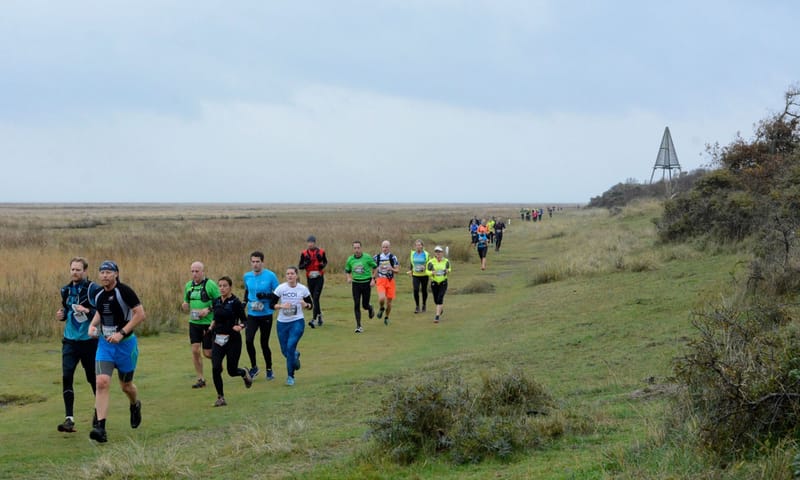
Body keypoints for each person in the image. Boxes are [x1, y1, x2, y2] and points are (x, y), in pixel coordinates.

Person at [87, 260, 146, 443]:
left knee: (126, 386)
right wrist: (92, 326)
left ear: (116, 274)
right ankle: (101, 429)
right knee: (102, 382)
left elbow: (140, 314)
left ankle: (135, 405)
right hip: (105, 345)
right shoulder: (98, 294)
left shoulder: (124, 291)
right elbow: (100, 313)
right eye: (102, 272)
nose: (104, 275)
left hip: (126, 346)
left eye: (108, 272)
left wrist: (121, 333)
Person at [56, 257, 101, 433]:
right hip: (70, 341)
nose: (75, 272)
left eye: (78, 269)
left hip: (89, 341)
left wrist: (87, 311)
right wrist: (62, 314)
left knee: (92, 379)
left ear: (85, 271)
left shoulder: (93, 289)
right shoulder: (65, 290)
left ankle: (99, 414)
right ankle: (69, 419)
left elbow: (102, 311)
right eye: (72, 269)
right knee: (67, 377)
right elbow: (67, 309)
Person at [208, 276, 252, 407]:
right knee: (216, 368)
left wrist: (241, 327)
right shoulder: (216, 302)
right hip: (217, 339)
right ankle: (220, 397)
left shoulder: (236, 302)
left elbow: (246, 320)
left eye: (224, 286)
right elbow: (216, 317)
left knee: (231, 371)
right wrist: (211, 327)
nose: (222, 288)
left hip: (232, 340)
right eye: (220, 286)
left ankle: (243, 372)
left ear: (230, 287)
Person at [267, 267, 313, 386]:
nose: (290, 276)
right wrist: (281, 306)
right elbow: (271, 305)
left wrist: (305, 304)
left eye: (292, 274)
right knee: (285, 351)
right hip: (282, 323)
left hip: (297, 321)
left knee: (290, 346)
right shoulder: (280, 288)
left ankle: (290, 376)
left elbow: (311, 305)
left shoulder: (303, 289)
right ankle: (295, 356)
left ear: (296, 275)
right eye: (287, 274)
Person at [181, 261, 221, 389]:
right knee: (195, 350)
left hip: (208, 324)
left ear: (203, 272)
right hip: (194, 323)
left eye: (197, 271)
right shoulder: (188, 286)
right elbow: (185, 302)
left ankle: (218, 363)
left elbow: (220, 302)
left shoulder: (211, 285)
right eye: (192, 271)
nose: (194, 274)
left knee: (208, 353)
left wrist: (208, 310)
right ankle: (200, 379)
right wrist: (184, 305)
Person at [243, 251, 280, 381]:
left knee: (264, 343)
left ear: (262, 262)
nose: (255, 264)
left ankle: (269, 369)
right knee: (248, 340)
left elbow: (278, 293)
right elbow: (247, 290)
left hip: (266, 314)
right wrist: (243, 303)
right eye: (253, 262)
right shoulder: (247, 276)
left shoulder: (270, 276)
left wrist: (265, 296)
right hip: (252, 314)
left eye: (257, 261)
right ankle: (254, 367)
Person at [344, 241, 377, 333]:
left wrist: (373, 279)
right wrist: (348, 278)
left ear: (361, 248)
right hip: (356, 284)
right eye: (355, 248)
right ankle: (359, 326)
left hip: (366, 283)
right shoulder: (350, 259)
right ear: (353, 249)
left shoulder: (367, 257)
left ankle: (370, 308)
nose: (357, 250)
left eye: (358, 248)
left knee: (364, 305)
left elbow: (375, 267)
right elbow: (347, 270)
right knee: (356, 304)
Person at [298, 235, 328, 328]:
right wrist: (306, 263)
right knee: (315, 299)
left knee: (315, 298)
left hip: (319, 277)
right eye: (309, 242)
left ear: (315, 243)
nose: (310, 244)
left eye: (312, 242)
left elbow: (325, 262)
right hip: (310, 278)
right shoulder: (304, 253)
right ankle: (319, 316)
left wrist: (321, 265)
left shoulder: (321, 252)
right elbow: (300, 266)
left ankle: (314, 319)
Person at [374, 240, 400, 326]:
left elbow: (397, 270)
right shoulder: (377, 257)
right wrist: (373, 277)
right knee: (381, 298)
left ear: (389, 248)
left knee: (389, 303)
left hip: (390, 281)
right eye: (383, 247)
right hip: (380, 280)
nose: (385, 249)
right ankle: (381, 308)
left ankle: (386, 317)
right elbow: (371, 266)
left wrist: (391, 269)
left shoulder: (393, 258)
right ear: (381, 248)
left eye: (386, 247)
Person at [426, 246, 451, 323]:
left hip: (443, 282)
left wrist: (447, 271)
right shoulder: (430, 262)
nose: (438, 253)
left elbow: (449, 269)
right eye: (437, 252)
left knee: (440, 298)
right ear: (435, 253)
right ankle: (440, 309)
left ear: (442, 253)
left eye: (439, 252)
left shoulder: (446, 261)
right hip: (434, 282)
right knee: (436, 300)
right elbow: (427, 271)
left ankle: (437, 317)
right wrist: (431, 273)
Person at [407, 239, 429, 314]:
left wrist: (425, 267)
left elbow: (430, 264)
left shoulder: (426, 254)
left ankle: (424, 305)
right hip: (415, 275)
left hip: (424, 275)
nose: (418, 246)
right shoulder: (413, 253)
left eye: (419, 245)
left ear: (422, 246)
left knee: (424, 290)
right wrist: (410, 270)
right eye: (417, 245)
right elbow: (411, 263)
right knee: (416, 290)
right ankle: (417, 306)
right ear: (415, 246)